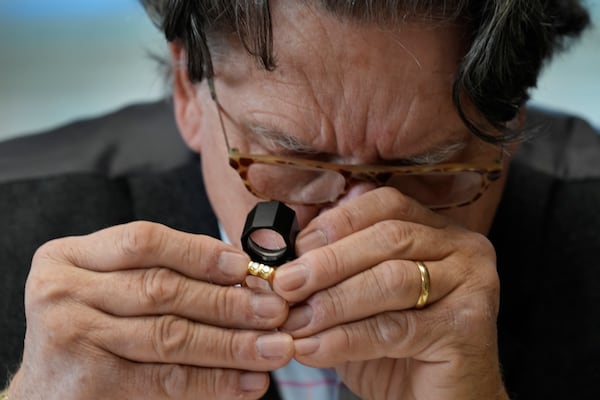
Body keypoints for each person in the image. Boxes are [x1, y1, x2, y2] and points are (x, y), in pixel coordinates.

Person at [0, 0, 598, 399]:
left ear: (512, 125)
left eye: (429, 170)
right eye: (291, 161)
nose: (356, 229)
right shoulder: (15, 221)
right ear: (187, 90)